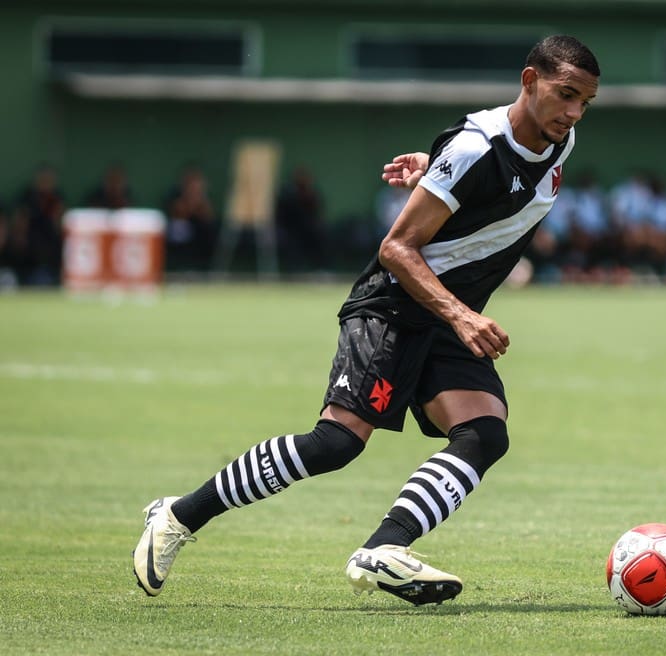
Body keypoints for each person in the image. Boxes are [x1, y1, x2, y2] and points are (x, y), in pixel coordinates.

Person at [132, 35, 600, 606]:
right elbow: (396, 249)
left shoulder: (558, 138)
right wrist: (461, 312)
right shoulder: (477, 146)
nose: (574, 113)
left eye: (585, 103)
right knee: (335, 443)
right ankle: (178, 515)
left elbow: (499, 188)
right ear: (529, 81)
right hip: (396, 305)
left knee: (484, 433)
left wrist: (436, 176)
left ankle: (384, 549)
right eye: (566, 95)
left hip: (447, 319)